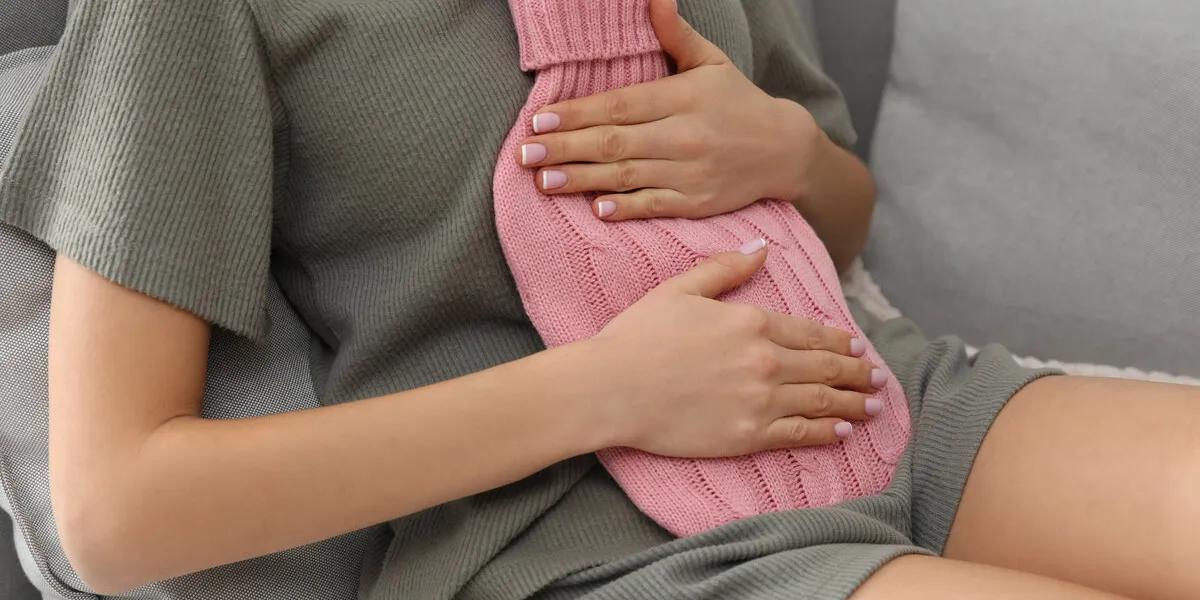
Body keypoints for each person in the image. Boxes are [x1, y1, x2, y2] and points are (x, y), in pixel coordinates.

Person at [0, 1, 1195, 599]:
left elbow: (839, 216)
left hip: (878, 398)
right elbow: (118, 511)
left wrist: (783, 150)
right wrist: (607, 391)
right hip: (574, 539)